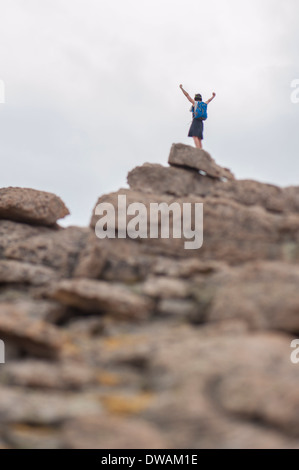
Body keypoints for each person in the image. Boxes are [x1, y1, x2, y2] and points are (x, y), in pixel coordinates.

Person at [179, 84, 216, 149]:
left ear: (195, 98)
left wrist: (181, 88)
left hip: (195, 121)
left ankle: (198, 150)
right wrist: (213, 96)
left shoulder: (194, 103)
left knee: (194, 136)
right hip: (201, 122)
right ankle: (201, 150)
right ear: (201, 99)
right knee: (199, 137)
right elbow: (209, 100)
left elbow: (187, 95)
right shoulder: (204, 104)